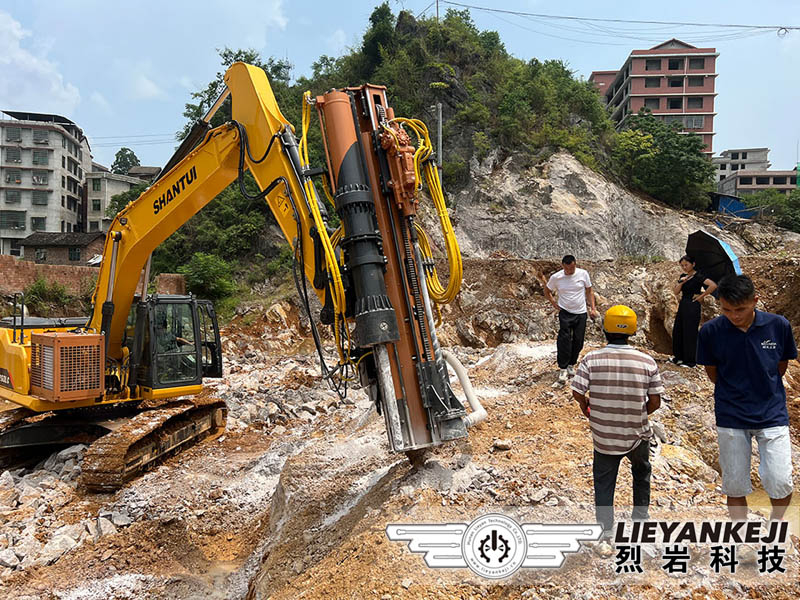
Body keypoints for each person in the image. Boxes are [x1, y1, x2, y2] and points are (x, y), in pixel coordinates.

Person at [696, 274, 796, 521]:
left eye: (740, 309)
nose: (734, 315)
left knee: (780, 479)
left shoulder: (778, 326)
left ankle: (776, 525)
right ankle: (742, 538)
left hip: (772, 413)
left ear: (755, 301)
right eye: (727, 310)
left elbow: (780, 366)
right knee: (734, 483)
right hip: (731, 415)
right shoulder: (711, 331)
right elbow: (713, 373)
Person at [571, 305, 664, 536]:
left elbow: (577, 391)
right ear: (632, 330)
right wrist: (638, 413)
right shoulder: (647, 362)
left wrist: (587, 408)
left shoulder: (591, 359)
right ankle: (641, 521)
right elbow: (655, 402)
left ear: (605, 328)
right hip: (637, 434)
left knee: (604, 481)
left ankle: (605, 529)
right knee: (641, 474)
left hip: (604, 436)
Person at [544, 255, 598, 384]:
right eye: (567, 269)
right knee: (564, 340)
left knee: (578, 340)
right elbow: (547, 290)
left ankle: (571, 364)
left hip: (580, 312)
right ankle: (563, 367)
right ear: (563, 266)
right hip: (565, 312)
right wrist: (553, 303)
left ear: (575, 265)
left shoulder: (583, 274)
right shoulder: (556, 277)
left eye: (572, 268)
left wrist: (593, 308)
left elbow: (589, 290)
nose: (570, 271)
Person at [671, 255, 716, 368]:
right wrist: (681, 282)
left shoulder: (699, 276)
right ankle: (679, 357)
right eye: (682, 265)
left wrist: (702, 296)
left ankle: (690, 361)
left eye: (686, 265)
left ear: (693, 264)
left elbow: (713, 285)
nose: (684, 267)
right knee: (678, 329)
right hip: (683, 304)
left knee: (690, 332)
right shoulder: (683, 276)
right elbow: (675, 292)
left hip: (693, 304)